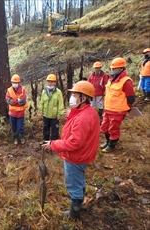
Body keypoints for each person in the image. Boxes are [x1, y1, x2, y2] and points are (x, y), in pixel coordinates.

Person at [42, 81, 100, 219]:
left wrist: (53, 144)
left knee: (73, 183)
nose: (72, 97)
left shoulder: (84, 117)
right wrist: (72, 114)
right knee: (79, 180)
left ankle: (75, 212)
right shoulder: (86, 112)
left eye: (74, 94)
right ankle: (80, 200)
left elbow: (74, 143)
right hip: (82, 155)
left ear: (83, 98)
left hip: (76, 157)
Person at [100, 57, 135, 152]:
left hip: (117, 110)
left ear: (121, 68)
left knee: (113, 128)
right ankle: (108, 141)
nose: (112, 70)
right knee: (104, 127)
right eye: (112, 68)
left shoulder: (126, 81)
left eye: (114, 69)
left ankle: (112, 145)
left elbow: (131, 98)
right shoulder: (111, 79)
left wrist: (127, 108)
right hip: (108, 109)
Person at [38, 74, 64, 143]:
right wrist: (41, 111)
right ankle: (45, 142)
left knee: (55, 131)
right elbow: (42, 102)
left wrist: (59, 114)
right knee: (45, 129)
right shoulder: (44, 91)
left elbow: (60, 104)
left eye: (52, 82)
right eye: (49, 82)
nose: (50, 83)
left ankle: (54, 144)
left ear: (55, 83)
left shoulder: (58, 92)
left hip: (54, 116)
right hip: (46, 115)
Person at [6, 74, 28, 145]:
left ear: (19, 83)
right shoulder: (9, 90)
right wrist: (16, 102)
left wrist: (14, 102)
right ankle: (15, 138)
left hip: (20, 113)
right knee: (13, 127)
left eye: (16, 83)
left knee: (20, 127)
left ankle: (22, 137)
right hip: (12, 113)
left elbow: (23, 101)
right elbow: (9, 101)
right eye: (14, 83)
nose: (15, 84)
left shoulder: (22, 90)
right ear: (12, 83)